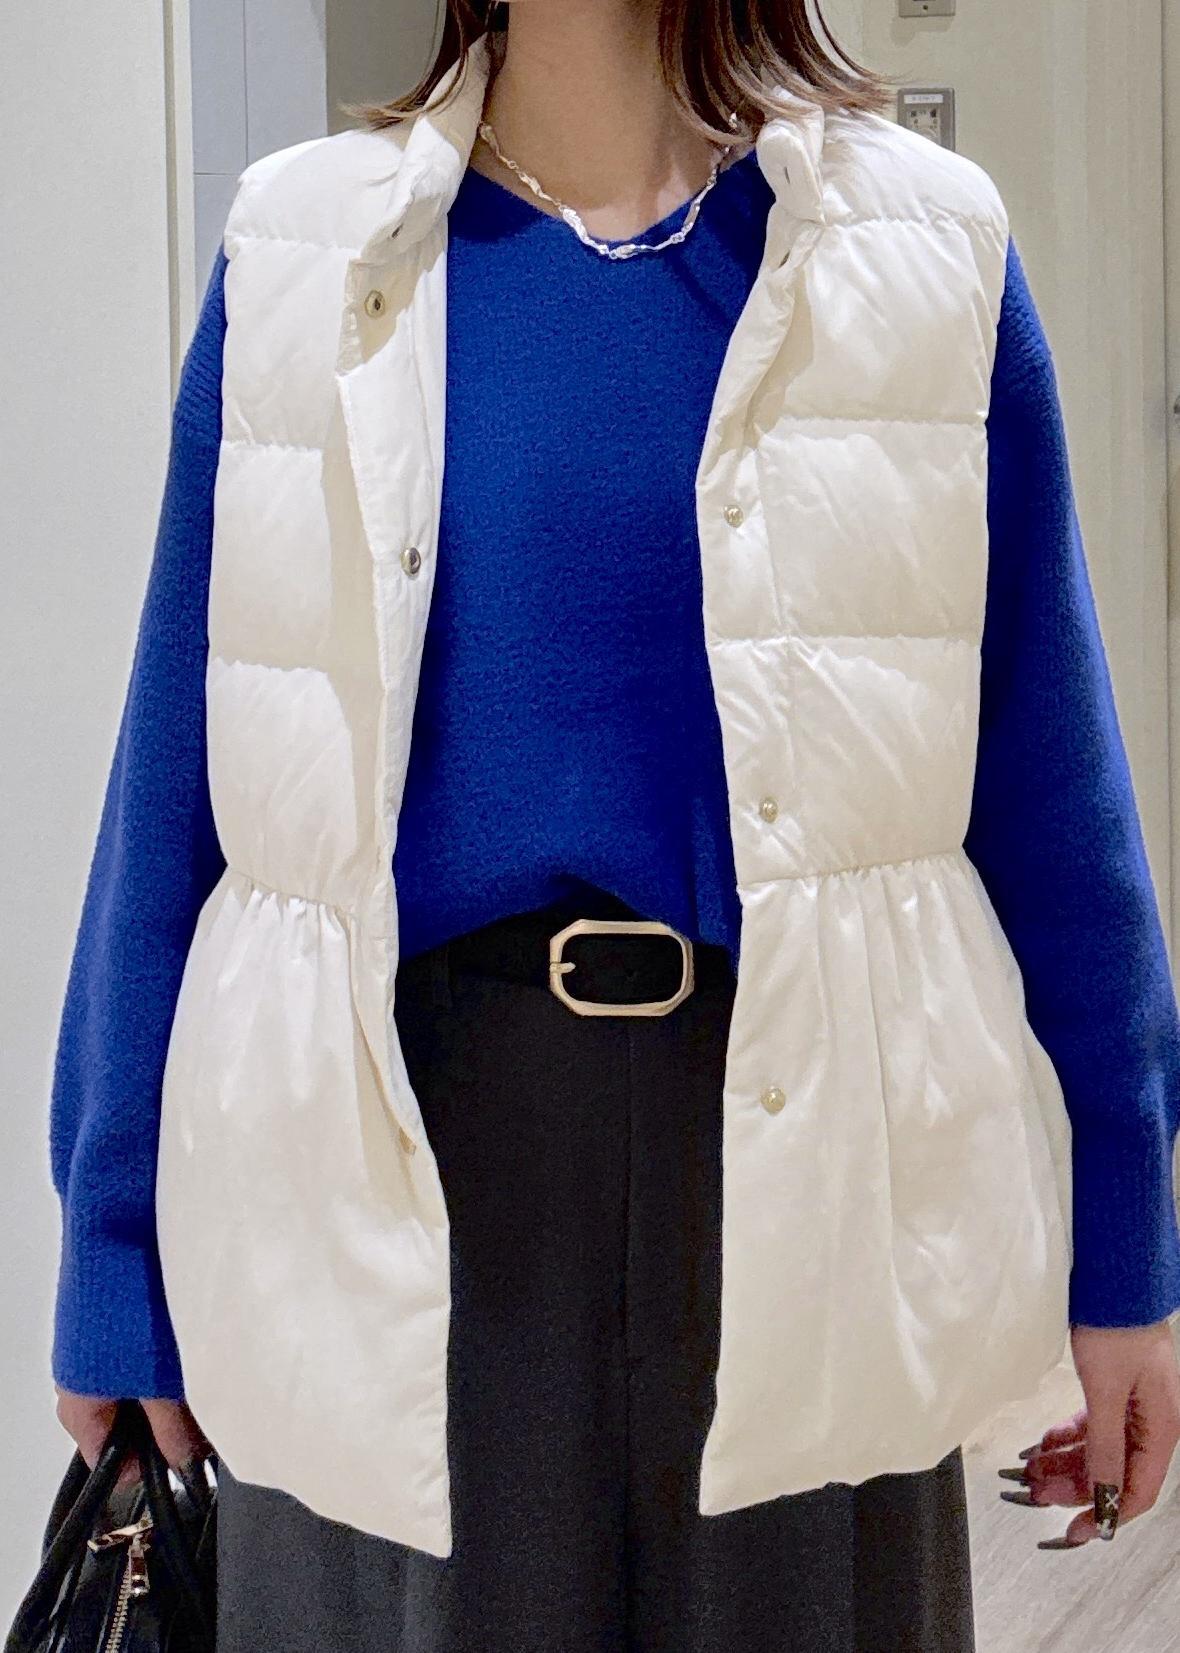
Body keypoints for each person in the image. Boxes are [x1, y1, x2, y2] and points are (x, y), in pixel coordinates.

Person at [47, 2, 1180, 1648]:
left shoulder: (923, 255)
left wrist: (1128, 1244)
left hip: (808, 1184)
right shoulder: (300, 252)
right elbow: (175, 796)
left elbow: (1057, 802)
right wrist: (112, 1244)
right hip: (391, 1191)